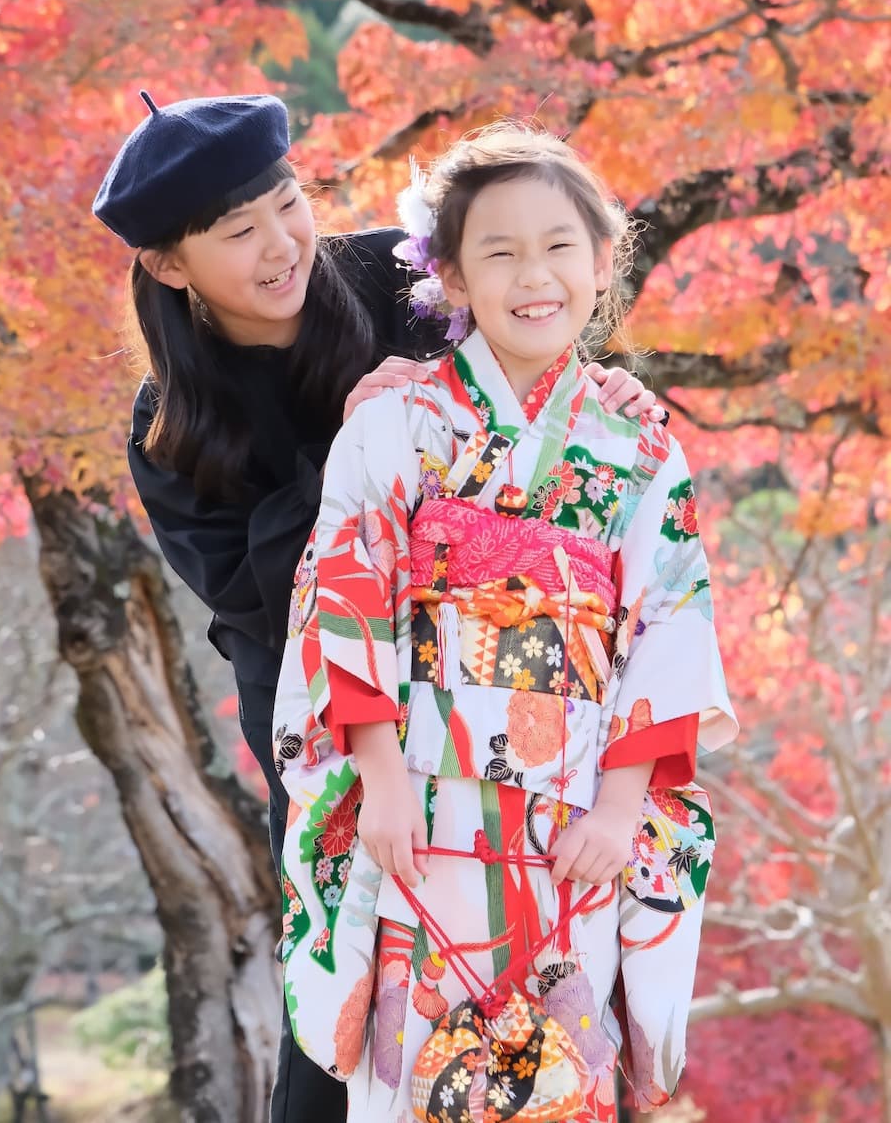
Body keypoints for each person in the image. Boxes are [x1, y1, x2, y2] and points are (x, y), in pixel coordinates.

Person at [92, 92, 665, 1123]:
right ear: (169, 266)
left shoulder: (402, 283)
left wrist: (603, 395)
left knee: (542, 989)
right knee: (345, 1017)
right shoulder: (169, 428)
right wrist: (361, 449)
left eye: (288, 205)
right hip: (332, 737)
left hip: (505, 697)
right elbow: (254, 600)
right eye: (238, 233)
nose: (281, 247)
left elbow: (536, 394)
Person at [272, 122, 738, 1122]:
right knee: (412, 1078)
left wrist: (620, 812)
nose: (535, 275)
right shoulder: (394, 426)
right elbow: (344, 597)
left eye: (560, 246)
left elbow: (668, 622)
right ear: (448, 274)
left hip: (573, 822)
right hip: (423, 810)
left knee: (560, 1075)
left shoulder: (637, 446)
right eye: (499, 251)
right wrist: (382, 784)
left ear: (603, 256)